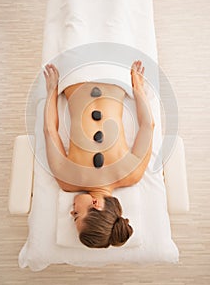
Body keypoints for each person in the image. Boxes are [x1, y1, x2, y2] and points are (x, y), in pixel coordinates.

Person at [43, 60, 155, 248]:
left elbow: (147, 126)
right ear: (95, 204)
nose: (71, 213)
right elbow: (49, 130)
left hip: (115, 76)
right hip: (74, 77)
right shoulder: (67, 181)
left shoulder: (132, 174)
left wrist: (137, 85)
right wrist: (52, 91)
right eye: (77, 216)